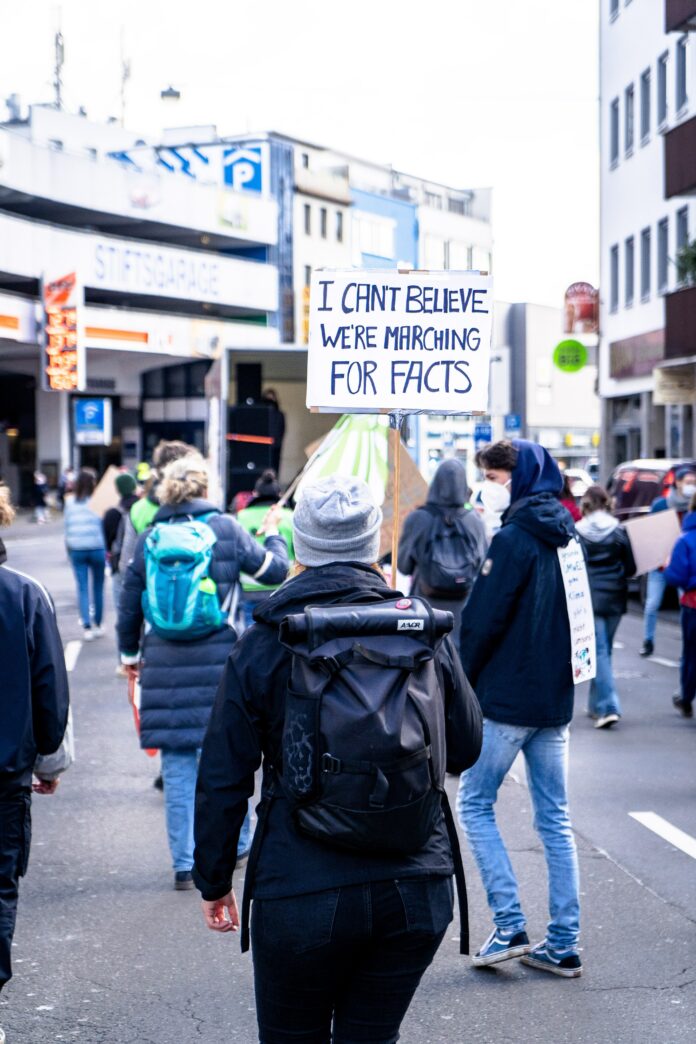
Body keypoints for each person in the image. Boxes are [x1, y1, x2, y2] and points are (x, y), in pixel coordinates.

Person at [192, 475, 482, 1044]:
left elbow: (225, 771)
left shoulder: (268, 638)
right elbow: (466, 748)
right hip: (416, 881)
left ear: (300, 544)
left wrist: (213, 877)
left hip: (300, 885)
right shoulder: (420, 628)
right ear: (374, 541)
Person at [118, 452, 288, 891]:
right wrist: (273, 537)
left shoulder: (151, 535)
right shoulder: (226, 529)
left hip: (163, 663)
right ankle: (238, 845)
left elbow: (129, 601)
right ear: (206, 487)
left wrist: (129, 655)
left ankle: (183, 863)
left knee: (177, 768)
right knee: (228, 759)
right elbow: (275, 572)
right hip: (220, 663)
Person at [457, 439, 583, 978]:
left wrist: (459, 679)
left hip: (507, 698)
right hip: (555, 700)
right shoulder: (566, 535)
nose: (492, 486)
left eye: (497, 477)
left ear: (519, 478)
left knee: (474, 803)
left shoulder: (511, 539)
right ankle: (564, 943)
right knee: (555, 820)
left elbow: (481, 622)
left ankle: (509, 923)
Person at [0, 483, 71, 1014]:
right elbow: (50, 688)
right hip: (5, 773)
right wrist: (48, 760)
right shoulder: (23, 595)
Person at [398, 457, 488, 631]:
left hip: (425, 611)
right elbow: (482, 565)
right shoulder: (474, 520)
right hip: (464, 612)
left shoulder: (417, 518)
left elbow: (404, 566)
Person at [576, 485, 636, 729]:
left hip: (589, 596)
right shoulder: (619, 530)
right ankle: (598, 705)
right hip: (615, 597)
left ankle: (607, 706)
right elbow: (631, 567)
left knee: (599, 651)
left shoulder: (578, 531)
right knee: (604, 650)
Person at [641, 466, 696, 657]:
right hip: (660, 564)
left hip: (683, 566)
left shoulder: (693, 508)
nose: (691, 486)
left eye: (694, 483)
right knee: (652, 604)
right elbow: (650, 531)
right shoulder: (661, 505)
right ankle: (648, 640)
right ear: (677, 483)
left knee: (687, 605)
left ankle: (687, 642)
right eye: (688, 482)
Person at [118, 440, 195, 573]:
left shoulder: (138, 509)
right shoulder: (204, 509)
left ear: (158, 470)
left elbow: (126, 563)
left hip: (152, 589)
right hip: (195, 590)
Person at [236, 468, 294, 628]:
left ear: (255, 494)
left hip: (250, 588)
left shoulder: (240, 518)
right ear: (280, 495)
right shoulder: (289, 517)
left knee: (250, 634)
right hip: (284, 589)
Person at [103, 472, 140, 675]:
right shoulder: (141, 509)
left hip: (120, 568)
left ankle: (124, 661)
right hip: (141, 566)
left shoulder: (112, 513)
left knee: (123, 612)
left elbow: (107, 542)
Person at [64, 468, 107, 641]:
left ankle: (87, 626)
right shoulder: (99, 502)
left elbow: (66, 527)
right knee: (98, 587)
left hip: (77, 549)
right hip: (97, 547)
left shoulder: (69, 502)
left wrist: (68, 548)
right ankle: (98, 624)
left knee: (82, 588)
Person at [664, 491, 696, 719]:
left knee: (691, 654)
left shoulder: (686, 539)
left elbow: (675, 576)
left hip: (693, 603)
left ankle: (686, 696)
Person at [261, 388, 285, 475]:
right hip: (263, 446)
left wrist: (277, 443)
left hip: (275, 447)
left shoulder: (279, 414)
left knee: (274, 468)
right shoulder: (261, 414)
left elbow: (281, 430)